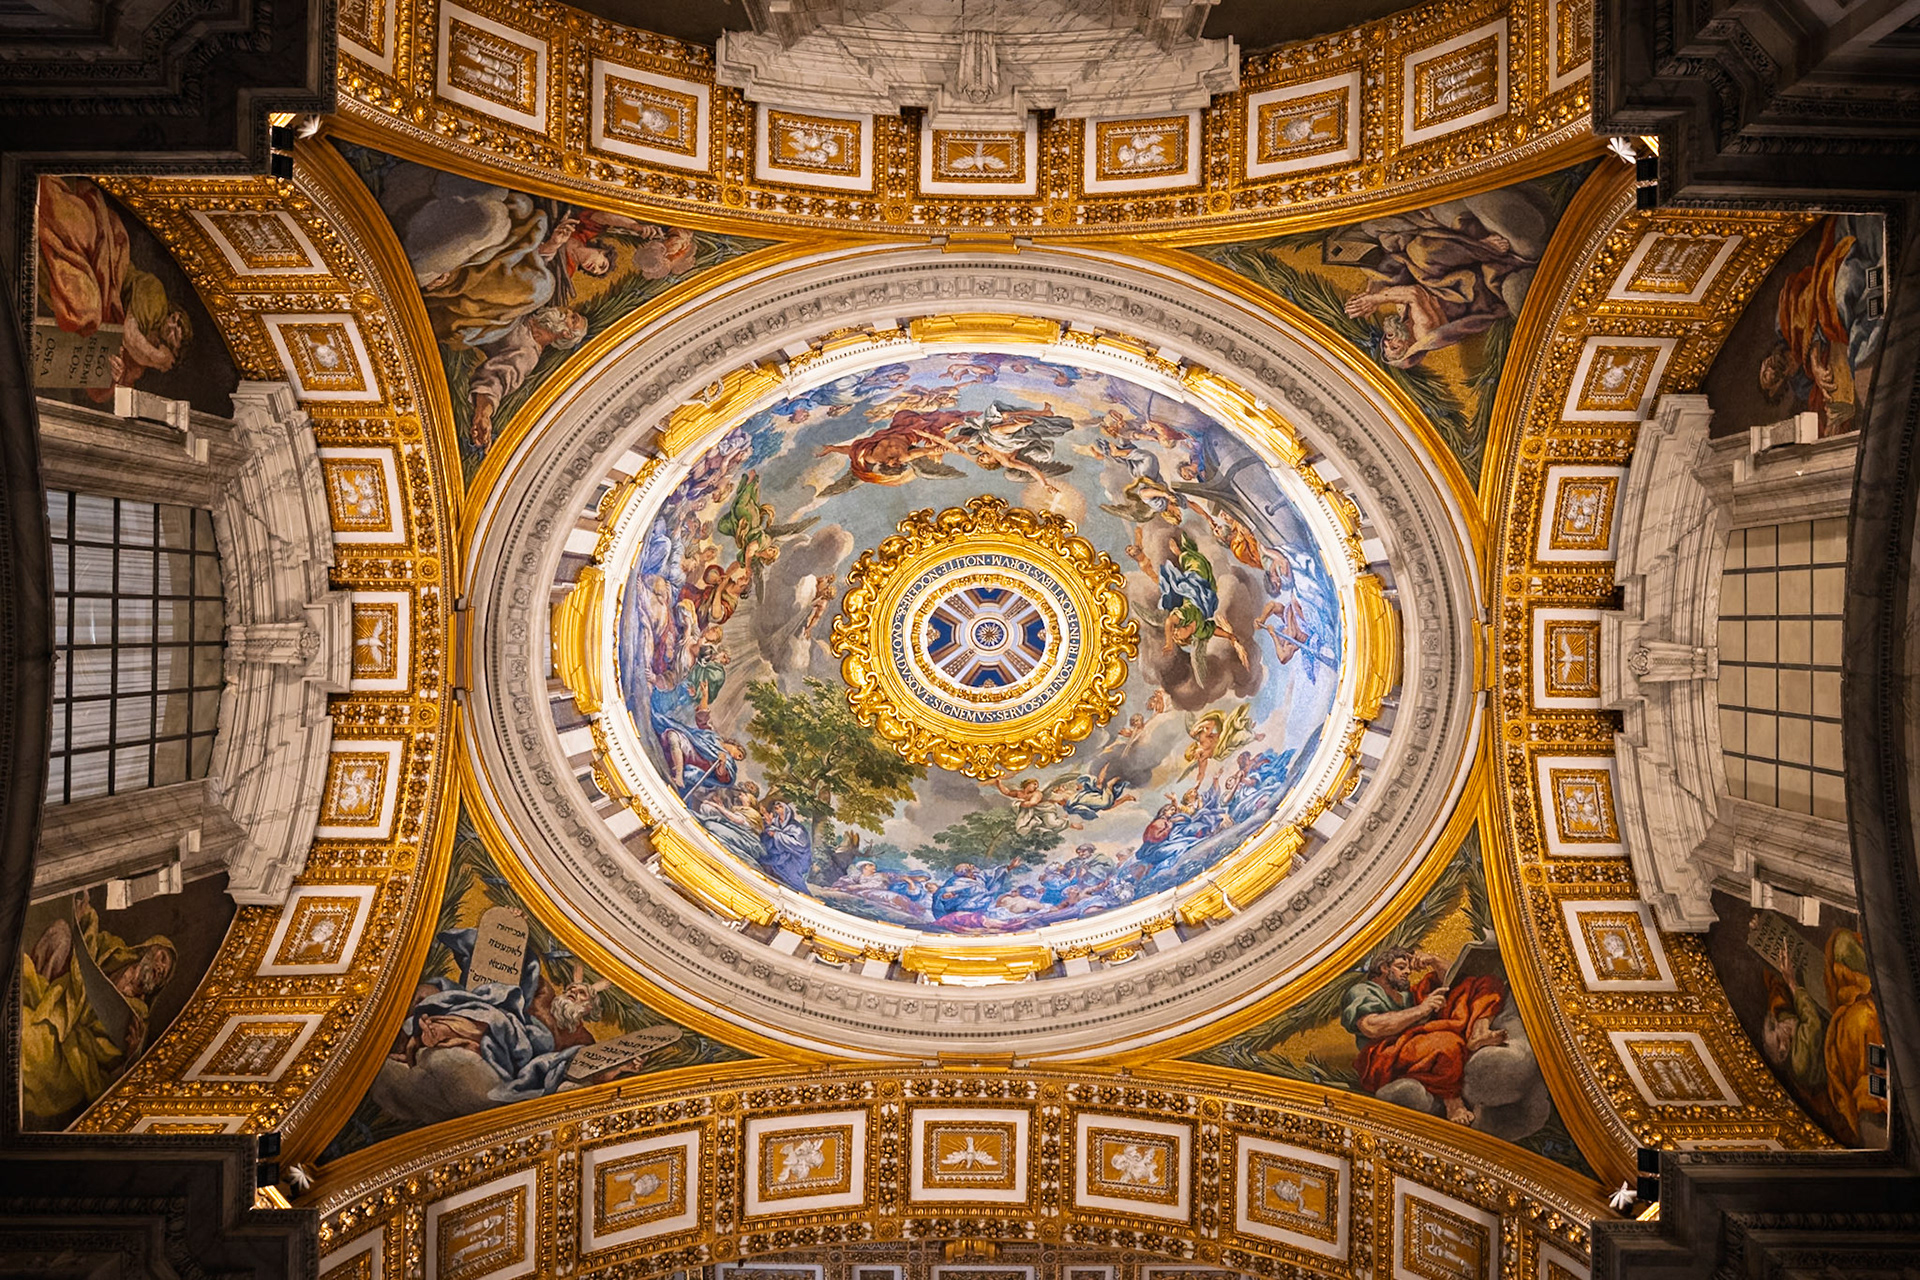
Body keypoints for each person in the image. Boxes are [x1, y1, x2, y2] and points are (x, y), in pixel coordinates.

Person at [20, 894, 178, 1126]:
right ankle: (37, 999)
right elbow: (90, 944)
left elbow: (120, 1061)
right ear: (151, 949)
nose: (160, 968)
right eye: (162, 958)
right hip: (64, 999)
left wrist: (132, 1054)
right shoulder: (117, 951)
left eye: (163, 972)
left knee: (28, 1034)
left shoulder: (138, 1014)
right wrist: (86, 915)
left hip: (76, 1050)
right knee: (61, 932)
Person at [36, 176, 195, 399]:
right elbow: (130, 335)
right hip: (105, 265)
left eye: (179, 335)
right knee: (75, 230)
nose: (174, 328)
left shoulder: (140, 359)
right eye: (177, 322)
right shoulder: (156, 299)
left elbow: (101, 393)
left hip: (94, 296)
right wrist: (157, 357)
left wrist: (115, 373)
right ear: (174, 316)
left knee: (81, 306)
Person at [1339, 946, 1507, 1124]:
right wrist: (1421, 1009)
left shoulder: (1406, 995)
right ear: (1384, 968)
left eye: (1408, 968)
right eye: (1401, 967)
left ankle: (1479, 1031)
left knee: (1484, 983)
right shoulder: (1364, 991)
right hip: (1385, 1056)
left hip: (1416, 1041)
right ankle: (1453, 1102)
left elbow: (1455, 979)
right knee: (1447, 1043)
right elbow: (1371, 1027)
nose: (1407, 972)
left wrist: (1434, 961)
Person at [466, 306, 587, 449]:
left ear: (566, 334)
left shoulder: (527, 354)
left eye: (573, 318)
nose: (568, 311)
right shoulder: (533, 313)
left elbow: (496, 380)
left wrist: (483, 414)